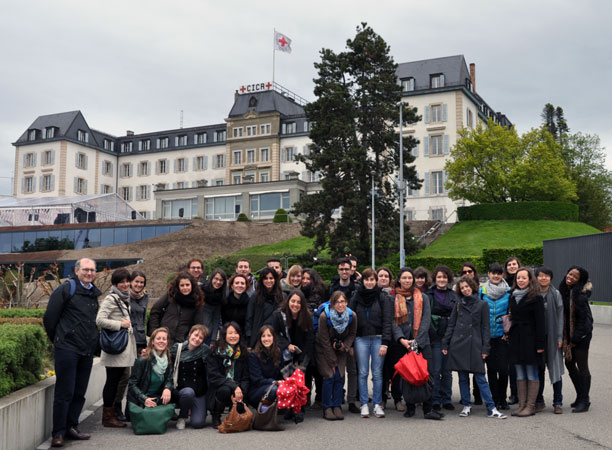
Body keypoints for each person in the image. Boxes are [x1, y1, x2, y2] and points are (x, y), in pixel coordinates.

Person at [43, 258, 101, 447]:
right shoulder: (66, 289)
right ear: (77, 271)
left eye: (92, 270)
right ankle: (58, 433)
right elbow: (50, 318)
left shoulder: (93, 293)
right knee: (64, 392)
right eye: (86, 269)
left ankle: (71, 427)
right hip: (67, 349)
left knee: (79, 392)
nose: (89, 273)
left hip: (86, 350)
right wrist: (59, 339)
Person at [442, 276, 506, 419]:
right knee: (463, 378)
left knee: (480, 377)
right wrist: (445, 343)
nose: (465, 289)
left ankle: (491, 407)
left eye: (467, 286)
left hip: (475, 344)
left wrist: (485, 348)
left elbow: (486, 328)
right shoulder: (458, 304)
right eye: (462, 287)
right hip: (458, 344)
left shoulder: (482, 304)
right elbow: (451, 324)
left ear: (472, 287)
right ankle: (466, 405)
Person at [391, 268, 440, 420]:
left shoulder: (423, 297)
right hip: (404, 344)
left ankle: (428, 408)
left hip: (422, 342)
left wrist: (417, 341)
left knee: (428, 374)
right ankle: (410, 407)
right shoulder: (393, 299)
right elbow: (393, 321)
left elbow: (426, 320)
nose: (407, 281)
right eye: (404, 278)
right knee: (407, 376)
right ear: (399, 280)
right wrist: (401, 339)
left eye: (409, 278)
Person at [96, 268, 137, 428]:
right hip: (115, 348)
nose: (126, 284)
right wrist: (120, 324)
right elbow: (99, 320)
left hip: (123, 347)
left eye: (127, 281)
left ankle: (111, 415)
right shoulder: (111, 299)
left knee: (117, 380)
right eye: (122, 282)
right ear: (115, 284)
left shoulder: (125, 297)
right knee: (112, 381)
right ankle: (108, 417)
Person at [349, 268, 392, 418]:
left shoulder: (382, 297)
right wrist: (351, 344)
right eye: (367, 279)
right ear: (363, 281)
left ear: (376, 281)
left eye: (372, 279)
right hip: (361, 339)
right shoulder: (355, 297)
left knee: (378, 373)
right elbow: (350, 320)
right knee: (362, 373)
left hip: (378, 338)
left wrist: (385, 342)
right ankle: (364, 404)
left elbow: (387, 320)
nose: (369, 282)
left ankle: (377, 405)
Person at [508, 267, 545, 417]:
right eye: (518, 278)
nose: (520, 280)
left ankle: (530, 406)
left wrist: (540, 344)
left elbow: (541, 323)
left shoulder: (536, 297)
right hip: (516, 339)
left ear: (530, 279)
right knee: (520, 373)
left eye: (524, 278)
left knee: (531, 372)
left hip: (531, 339)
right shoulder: (513, 296)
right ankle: (522, 405)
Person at [113, 270, 150, 422]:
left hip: (140, 340)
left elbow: (143, 319)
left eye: (142, 282)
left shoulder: (145, 297)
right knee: (124, 376)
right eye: (136, 281)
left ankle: (131, 409)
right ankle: (116, 407)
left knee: (138, 377)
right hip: (126, 339)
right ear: (130, 282)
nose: (139, 285)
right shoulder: (123, 297)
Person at [316, 291, 358, 421]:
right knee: (330, 376)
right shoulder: (325, 317)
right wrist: (332, 361)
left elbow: (352, 334)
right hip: (323, 349)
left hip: (341, 350)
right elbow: (324, 340)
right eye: (337, 302)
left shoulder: (352, 316)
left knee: (339, 376)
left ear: (346, 302)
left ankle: (337, 405)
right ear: (333, 304)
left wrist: (344, 346)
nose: (340, 305)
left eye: (342, 302)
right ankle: (327, 407)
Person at [559, 265, 593, 413]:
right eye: (569, 273)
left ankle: (585, 401)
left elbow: (584, 322)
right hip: (568, 337)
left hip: (581, 337)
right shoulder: (564, 290)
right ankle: (580, 396)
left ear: (580, 281)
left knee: (582, 366)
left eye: (574, 276)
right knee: (569, 364)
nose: (570, 277)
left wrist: (574, 339)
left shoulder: (579, 295)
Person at [478, 262, 511, 411]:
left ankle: (503, 398)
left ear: (502, 275)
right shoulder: (482, 291)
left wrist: (508, 332)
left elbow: (512, 313)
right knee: (491, 370)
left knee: (504, 369)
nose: (496, 276)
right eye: (493, 273)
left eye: (499, 273)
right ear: (489, 274)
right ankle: (494, 399)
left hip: (503, 337)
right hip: (487, 337)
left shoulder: (509, 291)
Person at [328, 257, 359, 413]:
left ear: (351, 270)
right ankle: (338, 396)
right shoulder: (332, 287)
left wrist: (350, 344)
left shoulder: (356, 288)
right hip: (334, 335)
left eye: (347, 269)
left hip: (351, 335)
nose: (344, 271)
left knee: (352, 370)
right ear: (338, 270)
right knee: (337, 369)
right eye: (341, 269)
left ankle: (352, 400)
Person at [127, 327, 174, 424]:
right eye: (158, 338)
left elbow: (169, 378)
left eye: (164, 339)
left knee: (178, 394)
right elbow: (132, 384)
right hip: (141, 400)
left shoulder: (168, 360)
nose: (161, 341)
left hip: (156, 398)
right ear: (152, 341)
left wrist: (167, 388)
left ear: (167, 342)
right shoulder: (142, 360)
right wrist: (144, 399)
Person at [427, 264, 458, 411]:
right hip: (435, 336)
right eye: (439, 277)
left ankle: (446, 398)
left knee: (447, 370)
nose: (441, 279)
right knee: (436, 369)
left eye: (444, 277)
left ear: (449, 279)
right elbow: (425, 316)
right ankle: (435, 398)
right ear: (435, 278)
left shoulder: (454, 295)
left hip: (449, 336)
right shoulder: (429, 295)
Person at [208, 322, 250, 428]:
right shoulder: (215, 352)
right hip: (220, 387)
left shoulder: (243, 352)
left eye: (236, 333)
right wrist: (234, 386)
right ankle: (216, 415)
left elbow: (246, 377)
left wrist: (241, 391)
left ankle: (233, 414)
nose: (233, 336)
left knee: (239, 420)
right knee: (225, 390)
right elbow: (214, 376)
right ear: (224, 335)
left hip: (238, 387)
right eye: (230, 333)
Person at [535, 266, 564, 414]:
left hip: (553, 339)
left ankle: (558, 402)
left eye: (546, 276)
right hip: (538, 339)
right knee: (539, 370)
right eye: (540, 276)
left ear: (550, 278)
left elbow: (560, 317)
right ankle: (539, 401)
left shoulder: (556, 294)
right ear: (536, 278)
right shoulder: (533, 294)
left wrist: (560, 337)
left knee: (556, 370)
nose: (543, 278)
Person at [170, 324, 211, 429]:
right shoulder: (177, 349)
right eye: (195, 335)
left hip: (198, 390)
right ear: (190, 334)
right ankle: (182, 416)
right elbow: (163, 355)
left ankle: (197, 409)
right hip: (181, 390)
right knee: (188, 392)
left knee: (198, 423)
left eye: (201, 338)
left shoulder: (205, 351)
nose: (197, 339)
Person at [148, 272, 205, 345]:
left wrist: (188, 341)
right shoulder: (171, 295)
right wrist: (155, 332)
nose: (185, 288)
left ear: (192, 285)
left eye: (187, 285)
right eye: (182, 285)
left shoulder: (197, 301)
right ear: (178, 286)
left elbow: (198, 325)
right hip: (164, 339)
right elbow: (155, 311)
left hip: (182, 342)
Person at [301, 268, 327, 409]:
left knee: (318, 369)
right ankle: (305, 398)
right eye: (303, 278)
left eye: (308, 278)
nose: (305, 281)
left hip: (317, 335)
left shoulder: (318, 294)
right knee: (307, 368)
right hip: (303, 336)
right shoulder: (299, 293)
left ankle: (319, 398)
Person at [246, 267, 284, 348]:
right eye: (265, 278)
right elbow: (249, 317)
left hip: (276, 336)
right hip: (258, 335)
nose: (268, 281)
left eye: (271, 278)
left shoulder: (281, 296)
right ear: (262, 280)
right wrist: (249, 337)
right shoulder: (255, 296)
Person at [247, 325, 283, 408]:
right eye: (263, 336)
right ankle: (264, 414)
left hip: (273, 385)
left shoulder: (278, 353)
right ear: (259, 339)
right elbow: (257, 380)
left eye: (269, 335)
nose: (266, 339)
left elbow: (281, 373)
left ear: (274, 337)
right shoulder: (254, 355)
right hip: (257, 390)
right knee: (273, 390)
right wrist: (275, 382)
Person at [202, 268, 227, 345]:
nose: (218, 282)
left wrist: (213, 339)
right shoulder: (201, 291)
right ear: (211, 278)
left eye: (221, 280)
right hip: (196, 332)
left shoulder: (220, 296)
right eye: (216, 279)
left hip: (208, 333)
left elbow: (216, 319)